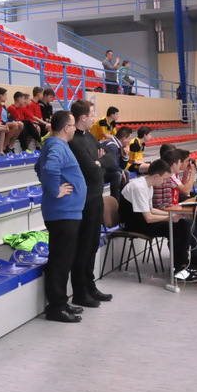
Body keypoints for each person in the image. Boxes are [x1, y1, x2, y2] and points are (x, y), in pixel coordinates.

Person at [36, 110, 85, 323]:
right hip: (63, 212)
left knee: (63, 259)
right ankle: (56, 307)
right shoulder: (57, 145)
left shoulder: (54, 144)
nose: (74, 129)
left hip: (66, 211)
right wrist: (55, 190)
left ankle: (61, 302)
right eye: (73, 126)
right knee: (60, 261)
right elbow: (49, 167)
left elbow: (38, 167)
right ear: (67, 128)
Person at [120, 159, 197, 282]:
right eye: (164, 179)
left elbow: (150, 209)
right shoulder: (139, 187)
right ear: (156, 176)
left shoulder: (148, 184)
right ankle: (178, 269)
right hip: (134, 223)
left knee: (185, 223)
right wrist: (170, 218)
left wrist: (172, 214)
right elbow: (148, 218)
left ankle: (183, 265)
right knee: (176, 227)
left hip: (142, 219)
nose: (164, 182)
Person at [67, 100, 112, 308]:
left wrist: (99, 162)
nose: (95, 118)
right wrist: (98, 165)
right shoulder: (75, 141)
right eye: (92, 114)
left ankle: (90, 285)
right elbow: (90, 170)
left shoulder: (90, 136)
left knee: (93, 244)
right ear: (83, 117)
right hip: (84, 201)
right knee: (83, 246)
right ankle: (80, 291)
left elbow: (111, 156)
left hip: (96, 198)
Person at [155, 148, 197, 271]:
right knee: (194, 220)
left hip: (172, 207)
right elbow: (185, 190)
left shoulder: (171, 175)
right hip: (168, 211)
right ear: (175, 163)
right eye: (184, 162)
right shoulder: (167, 176)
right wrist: (193, 172)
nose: (186, 164)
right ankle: (190, 258)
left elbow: (182, 190)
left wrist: (187, 172)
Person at [101, 126, 132, 201]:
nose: (129, 141)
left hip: (108, 170)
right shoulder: (111, 145)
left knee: (126, 173)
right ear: (124, 139)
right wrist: (121, 171)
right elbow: (111, 164)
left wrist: (126, 155)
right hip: (101, 171)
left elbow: (122, 167)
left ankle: (123, 199)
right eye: (129, 139)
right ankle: (115, 199)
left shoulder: (119, 146)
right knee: (118, 174)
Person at [0, 88, 22, 154]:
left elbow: (8, 116)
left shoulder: (3, 106)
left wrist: (13, 120)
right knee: (15, 125)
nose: (6, 97)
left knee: (21, 124)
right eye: (5, 95)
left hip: (5, 122)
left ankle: (10, 146)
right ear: (1, 96)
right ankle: (3, 146)